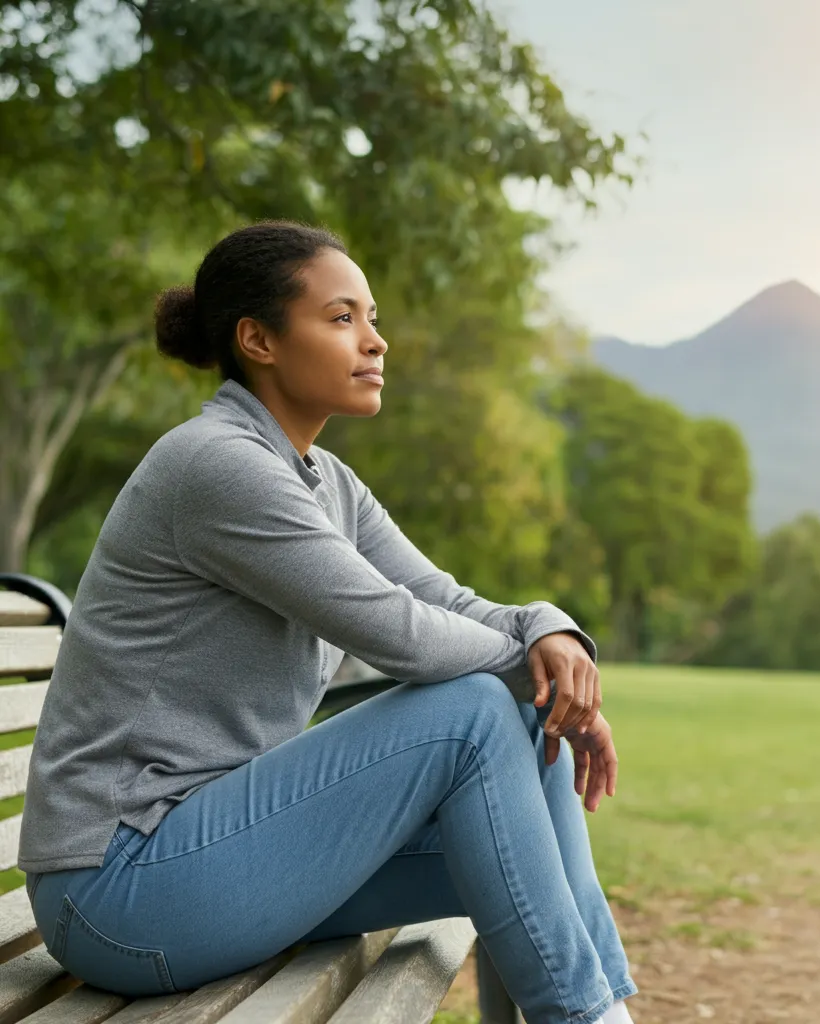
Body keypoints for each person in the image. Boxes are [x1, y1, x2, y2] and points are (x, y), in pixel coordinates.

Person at [18, 221, 637, 1024]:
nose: (376, 341)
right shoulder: (218, 464)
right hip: (121, 888)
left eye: (372, 318)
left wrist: (552, 633)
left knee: (522, 733)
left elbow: (444, 599)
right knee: (480, 708)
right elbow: (402, 635)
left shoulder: (327, 482)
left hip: (215, 854)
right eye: (342, 318)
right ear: (258, 340)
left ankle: (599, 1015)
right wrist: (542, 674)